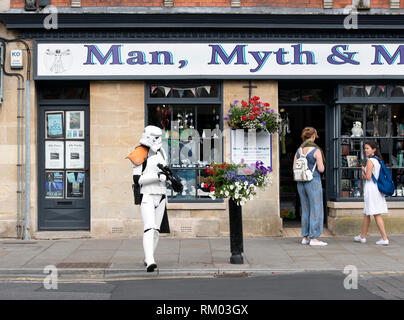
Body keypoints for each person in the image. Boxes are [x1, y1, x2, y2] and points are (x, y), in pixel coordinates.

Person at [132, 125, 169, 272]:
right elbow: (137, 179)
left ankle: (149, 256)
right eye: (155, 136)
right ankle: (150, 261)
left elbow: (166, 172)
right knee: (149, 227)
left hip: (161, 195)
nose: (158, 139)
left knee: (156, 231)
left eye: (159, 136)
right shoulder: (139, 152)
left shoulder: (162, 152)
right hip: (147, 194)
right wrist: (156, 177)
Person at [293, 127, 327, 246]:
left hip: (300, 181)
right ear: (313, 137)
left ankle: (305, 237)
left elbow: (294, 168)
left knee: (305, 208)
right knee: (316, 208)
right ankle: (314, 237)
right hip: (313, 181)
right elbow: (321, 169)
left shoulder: (299, 151)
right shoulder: (316, 150)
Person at [354, 141, 389, 245]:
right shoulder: (378, 160)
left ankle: (384, 238)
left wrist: (363, 171)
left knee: (376, 213)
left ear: (374, 150)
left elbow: (368, 177)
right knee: (367, 213)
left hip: (371, 188)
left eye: (368, 148)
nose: (365, 150)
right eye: (365, 148)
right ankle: (363, 237)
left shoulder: (370, 161)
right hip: (376, 189)